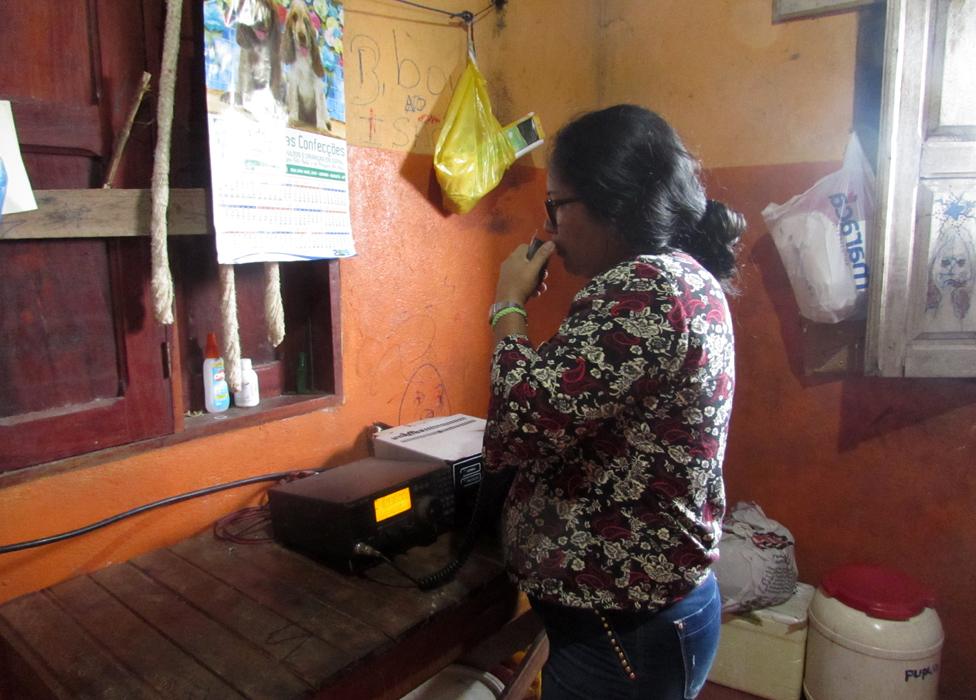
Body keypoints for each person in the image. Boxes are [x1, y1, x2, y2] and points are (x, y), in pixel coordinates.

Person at [482, 104, 745, 699]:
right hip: (640, 616)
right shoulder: (682, 276)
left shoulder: (641, 290)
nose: (549, 229)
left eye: (557, 206)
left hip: (623, 629)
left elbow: (520, 423)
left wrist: (508, 306)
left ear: (613, 203)